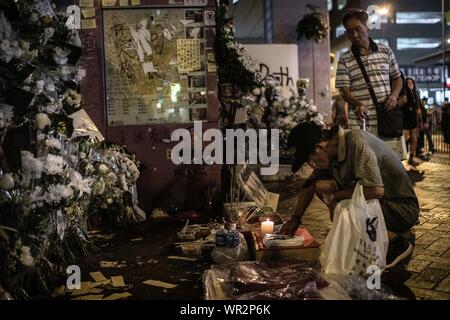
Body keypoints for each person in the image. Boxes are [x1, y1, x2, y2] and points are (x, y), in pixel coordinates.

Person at [280, 122, 419, 269]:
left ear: (319, 148)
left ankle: (397, 242)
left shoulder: (356, 142)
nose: (313, 166)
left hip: (401, 209)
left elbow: (376, 190)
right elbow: (309, 185)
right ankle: (361, 231)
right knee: (322, 188)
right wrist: (295, 219)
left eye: (310, 161)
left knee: (345, 219)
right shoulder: (331, 152)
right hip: (381, 205)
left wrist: (336, 196)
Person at [336, 8, 403, 137]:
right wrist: (358, 104)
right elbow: (344, 90)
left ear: (367, 27)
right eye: (350, 32)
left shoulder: (385, 51)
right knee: (365, 157)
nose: (354, 35)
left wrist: (394, 96)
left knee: (389, 157)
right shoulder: (345, 59)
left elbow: (397, 78)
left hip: (387, 119)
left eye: (358, 29)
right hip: (361, 123)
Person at [401, 78, 421, 166]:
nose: (409, 84)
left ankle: (411, 157)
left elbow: (418, 107)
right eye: (408, 82)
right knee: (403, 140)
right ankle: (400, 158)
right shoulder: (404, 93)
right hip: (405, 119)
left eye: (411, 82)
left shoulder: (415, 94)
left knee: (414, 139)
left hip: (413, 119)